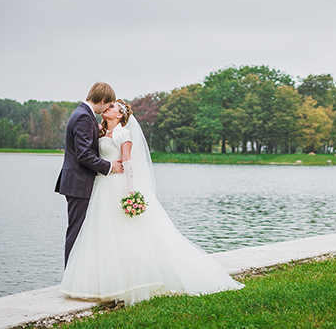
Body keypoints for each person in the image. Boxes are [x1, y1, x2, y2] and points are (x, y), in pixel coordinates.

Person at [60, 99, 243, 305]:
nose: (107, 108)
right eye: (107, 106)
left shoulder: (124, 134)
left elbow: (128, 162)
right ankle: (100, 281)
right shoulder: (101, 131)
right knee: (103, 236)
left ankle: (132, 282)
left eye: (111, 107)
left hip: (118, 187)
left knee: (127, 235)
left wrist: (131, 193)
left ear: (120, 115)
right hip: (101, 188)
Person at [55, 82, 124, 267]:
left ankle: (77, 274)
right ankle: (70, 275)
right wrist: (109, 166)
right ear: (101, 99)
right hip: (78, 183)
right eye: (108, 104)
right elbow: (83, 154)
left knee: (81, 229)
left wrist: (97, 131)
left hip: (77, 182)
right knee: (77, 230)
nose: (107, 108)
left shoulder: (83, 114)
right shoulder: (84, 117)